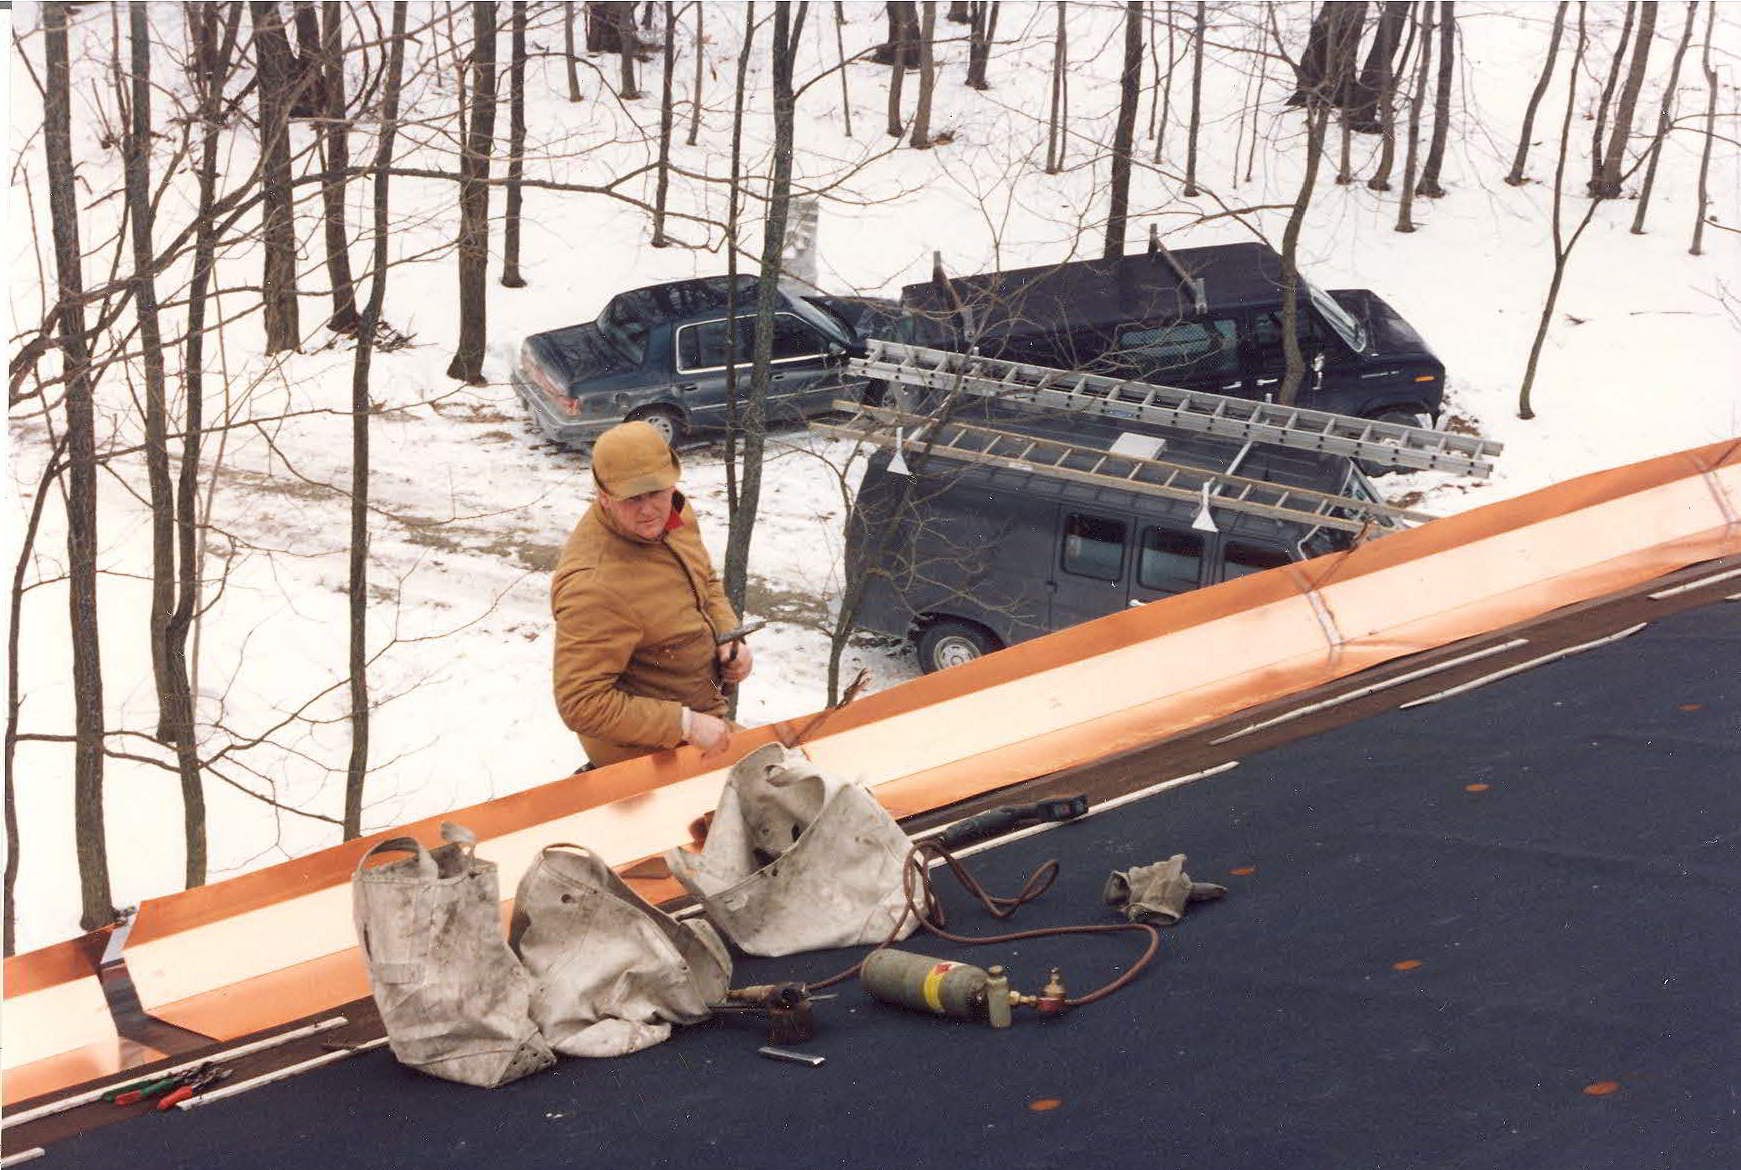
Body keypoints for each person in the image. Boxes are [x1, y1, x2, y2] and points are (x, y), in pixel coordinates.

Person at [550, 421, 752, 768]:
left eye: (656, 492)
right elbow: (581, 704)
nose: (648, 510)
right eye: (632, 498)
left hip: (703, 714)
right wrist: (684, 725)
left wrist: (728, 635)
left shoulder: (674, 515)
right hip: (643, 752)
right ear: (604, 496)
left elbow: (705, 579)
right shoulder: (593, 586)